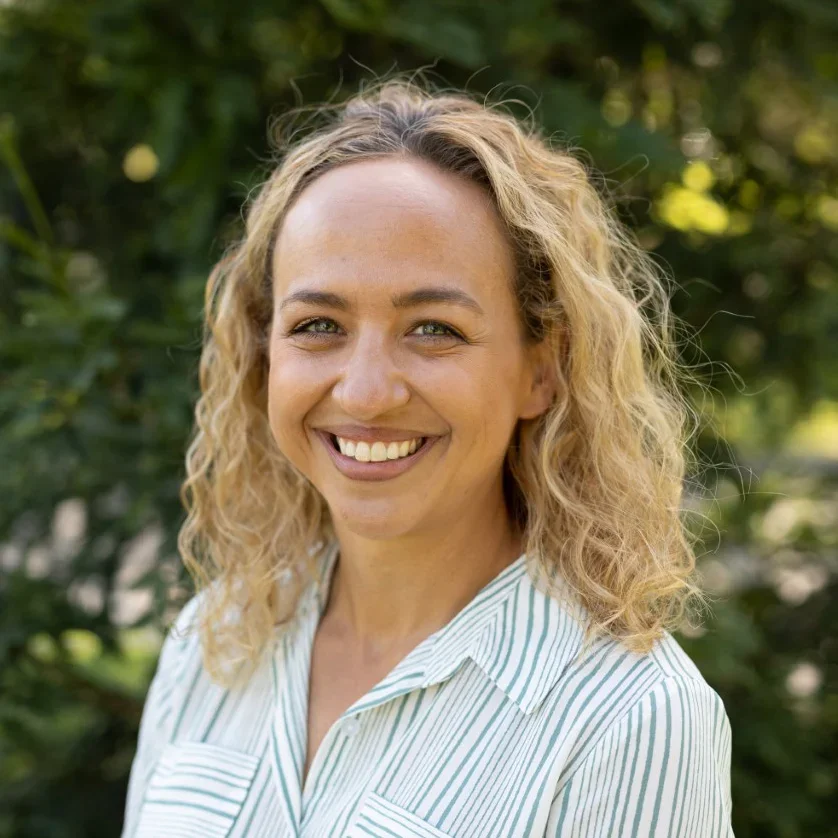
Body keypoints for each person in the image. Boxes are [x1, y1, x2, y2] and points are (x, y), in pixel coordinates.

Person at [120, 76, 734, 838]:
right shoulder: (217, 638)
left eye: (434, 329)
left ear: (540, 371)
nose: (367, 392)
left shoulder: (629, 720)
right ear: (264, 354)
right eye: (318, 325)